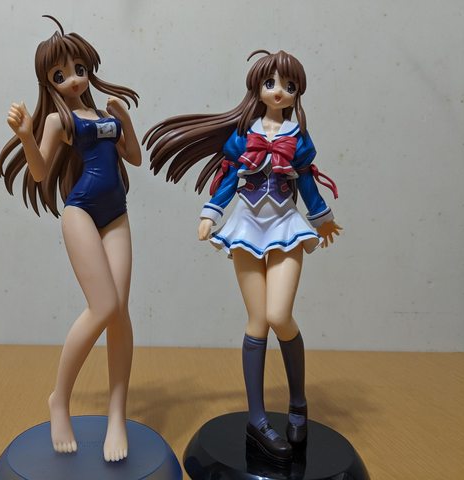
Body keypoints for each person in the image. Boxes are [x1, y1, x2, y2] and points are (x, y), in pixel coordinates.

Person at [143, 49, 341, 463]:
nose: (279, 91)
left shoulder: (297, 138)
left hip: (285, 227)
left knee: (279, 316)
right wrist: (210, 214)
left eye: (289, 85)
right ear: (257, 88)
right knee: (256, 321)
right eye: (271, 83)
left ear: (297, 92)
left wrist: (322, 219)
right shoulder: (243, 135)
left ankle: (298, 402)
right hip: (247, 227)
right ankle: (257, 419)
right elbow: (229, 178)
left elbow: (307, 184)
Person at [0, 16, 141, 462]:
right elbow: (41, 172)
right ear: (49, 82)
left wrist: (125, 120)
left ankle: (117, 414)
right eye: (61, 75)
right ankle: (59, 398)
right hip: (80, 212)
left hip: (116, 215)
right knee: (103, 306)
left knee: (120, 313)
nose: (73, 80)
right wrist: (26, 136)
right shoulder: (59, 122)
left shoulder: (106, 115)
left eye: (78, 70)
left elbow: (134, 158)